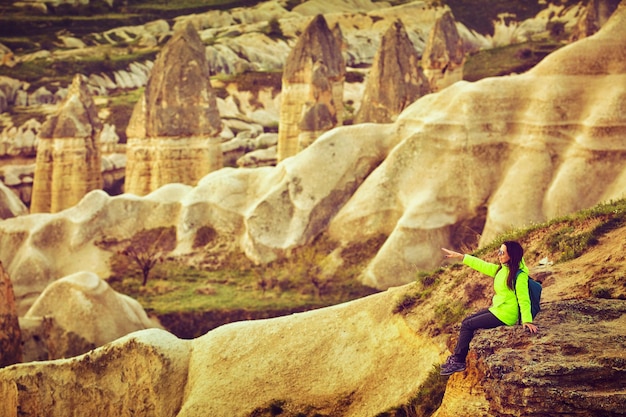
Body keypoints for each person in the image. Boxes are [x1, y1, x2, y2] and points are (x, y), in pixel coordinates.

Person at [439, 241, 538, 376]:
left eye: (502, 252)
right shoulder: (502, 269)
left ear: (512, 255)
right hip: (498, 309)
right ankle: (457, 358)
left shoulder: (519, 275)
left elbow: (523, 298)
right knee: (466, 321)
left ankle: (459, 361)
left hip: (506, 314)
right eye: (499, 251)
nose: (499, 254)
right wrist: (462, 257)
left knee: (467, 325)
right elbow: (482, 265)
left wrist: (527, 320)